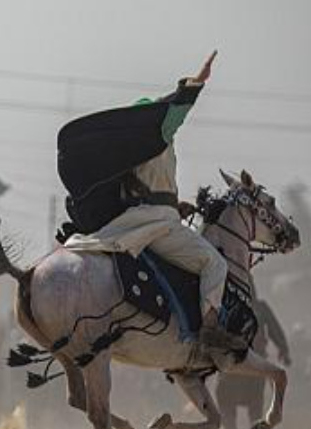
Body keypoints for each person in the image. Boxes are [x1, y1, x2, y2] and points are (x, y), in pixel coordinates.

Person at [57, 51, 237, 351]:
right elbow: (174, 113)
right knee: (214, 262)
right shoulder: (158, 136)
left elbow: (147, 191)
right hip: (158, 225)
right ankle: (210, 333)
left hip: (139, 221)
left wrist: (177, 206)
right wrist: (197, 82)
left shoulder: (129, 153)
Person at [216, 297, 290, 429]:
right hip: (232, 359)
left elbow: (273, 328)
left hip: (255, 360)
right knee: (224, 396)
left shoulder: (260, 307)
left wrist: (283, 348)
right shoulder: (225, 303)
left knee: (255, 400)